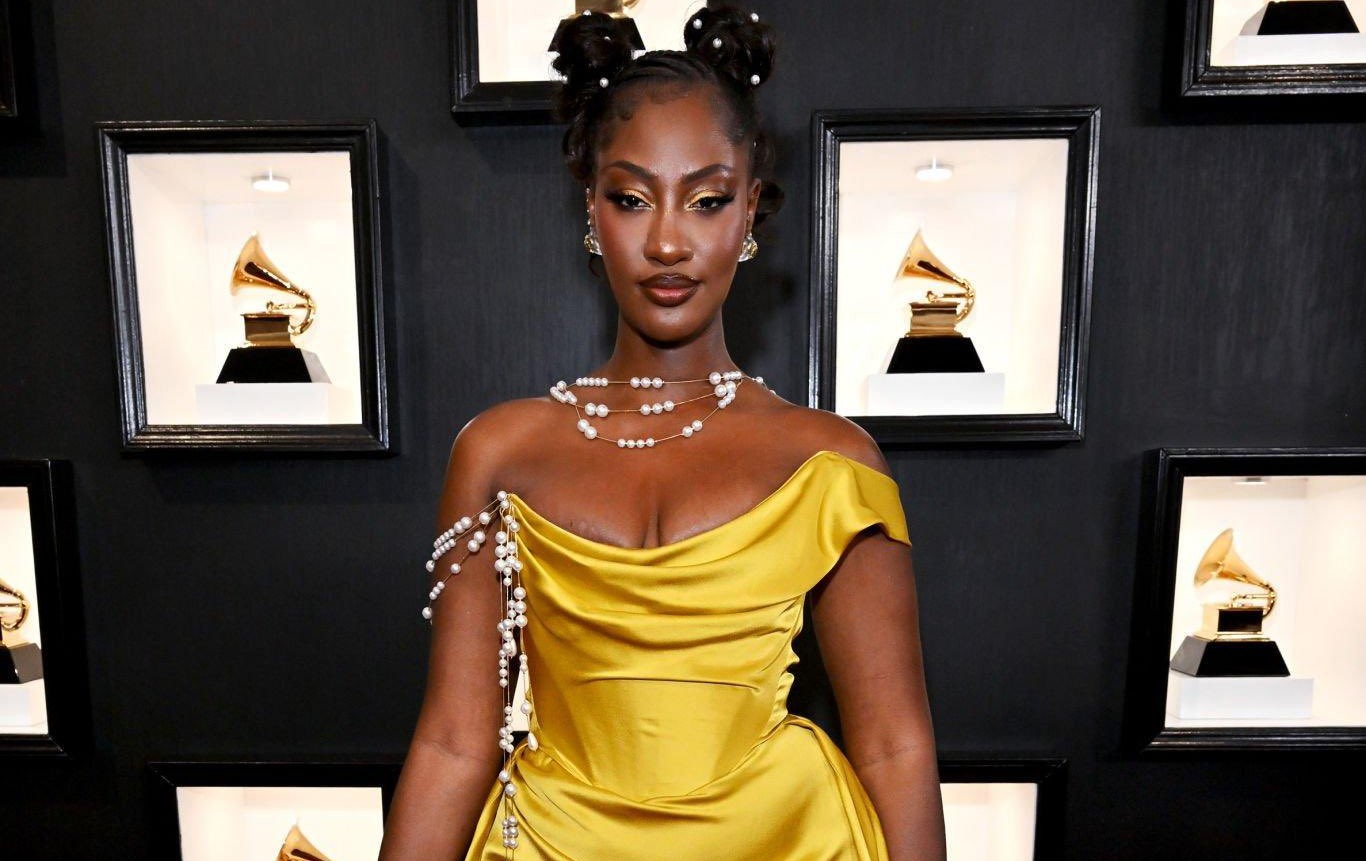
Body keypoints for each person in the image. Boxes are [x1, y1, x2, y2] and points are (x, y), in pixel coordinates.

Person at [380, 6, 945, 860]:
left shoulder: (831, 461)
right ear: (591, 207)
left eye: (707, 200)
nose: (670, 241)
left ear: (749, 212)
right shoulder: (499, 454)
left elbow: (895, 746)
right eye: (632, 198)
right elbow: (456, 742)